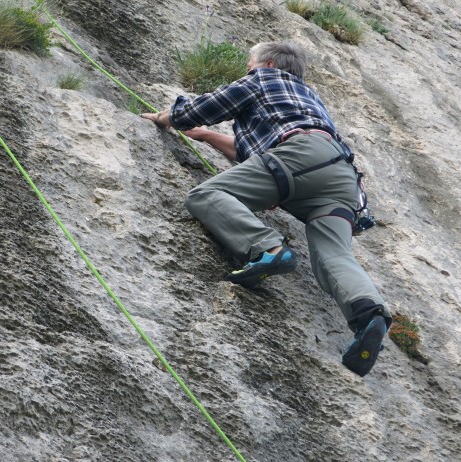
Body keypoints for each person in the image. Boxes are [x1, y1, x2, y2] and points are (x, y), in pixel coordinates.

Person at [141, 42, 392, 377]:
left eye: (249, 61)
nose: (247, 66)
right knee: (333, 255)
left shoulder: (262, 79)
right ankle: (369, 314)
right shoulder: (308, 99)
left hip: (296, 160)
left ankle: (267, 248)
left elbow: (196, 111)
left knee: (205, 194)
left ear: (267, 63)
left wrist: (164, 117)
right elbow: (257, 149)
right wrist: (206, 137)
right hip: (339, 177)